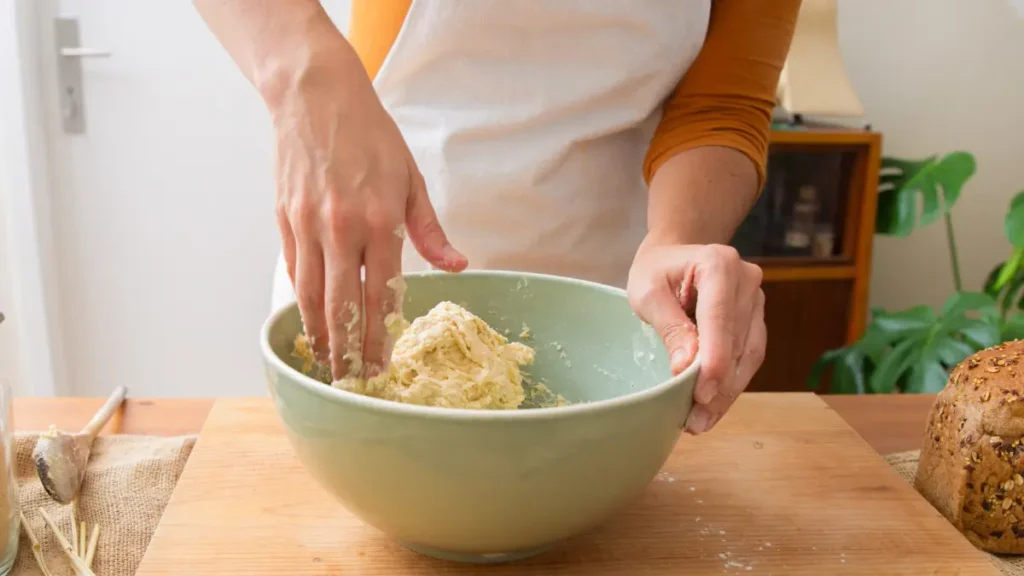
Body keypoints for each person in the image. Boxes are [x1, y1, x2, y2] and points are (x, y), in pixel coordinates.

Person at [195, 0, 801, 434]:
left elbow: (722, 105)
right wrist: (303, 78)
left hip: (610, 294)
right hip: (376, 240)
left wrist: (678, 239)